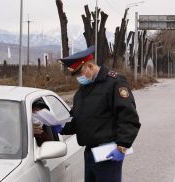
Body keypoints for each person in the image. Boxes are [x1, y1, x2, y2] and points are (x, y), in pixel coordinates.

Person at [58, 46, 141, 182]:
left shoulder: (115, 83)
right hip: (89, 152)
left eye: (80, 73)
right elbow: (80, 119)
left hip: (108, 153)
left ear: (90, 66)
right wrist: (62, 127)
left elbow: (128, 116)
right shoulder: (83, 90)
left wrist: (122, 146)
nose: (79, 78)